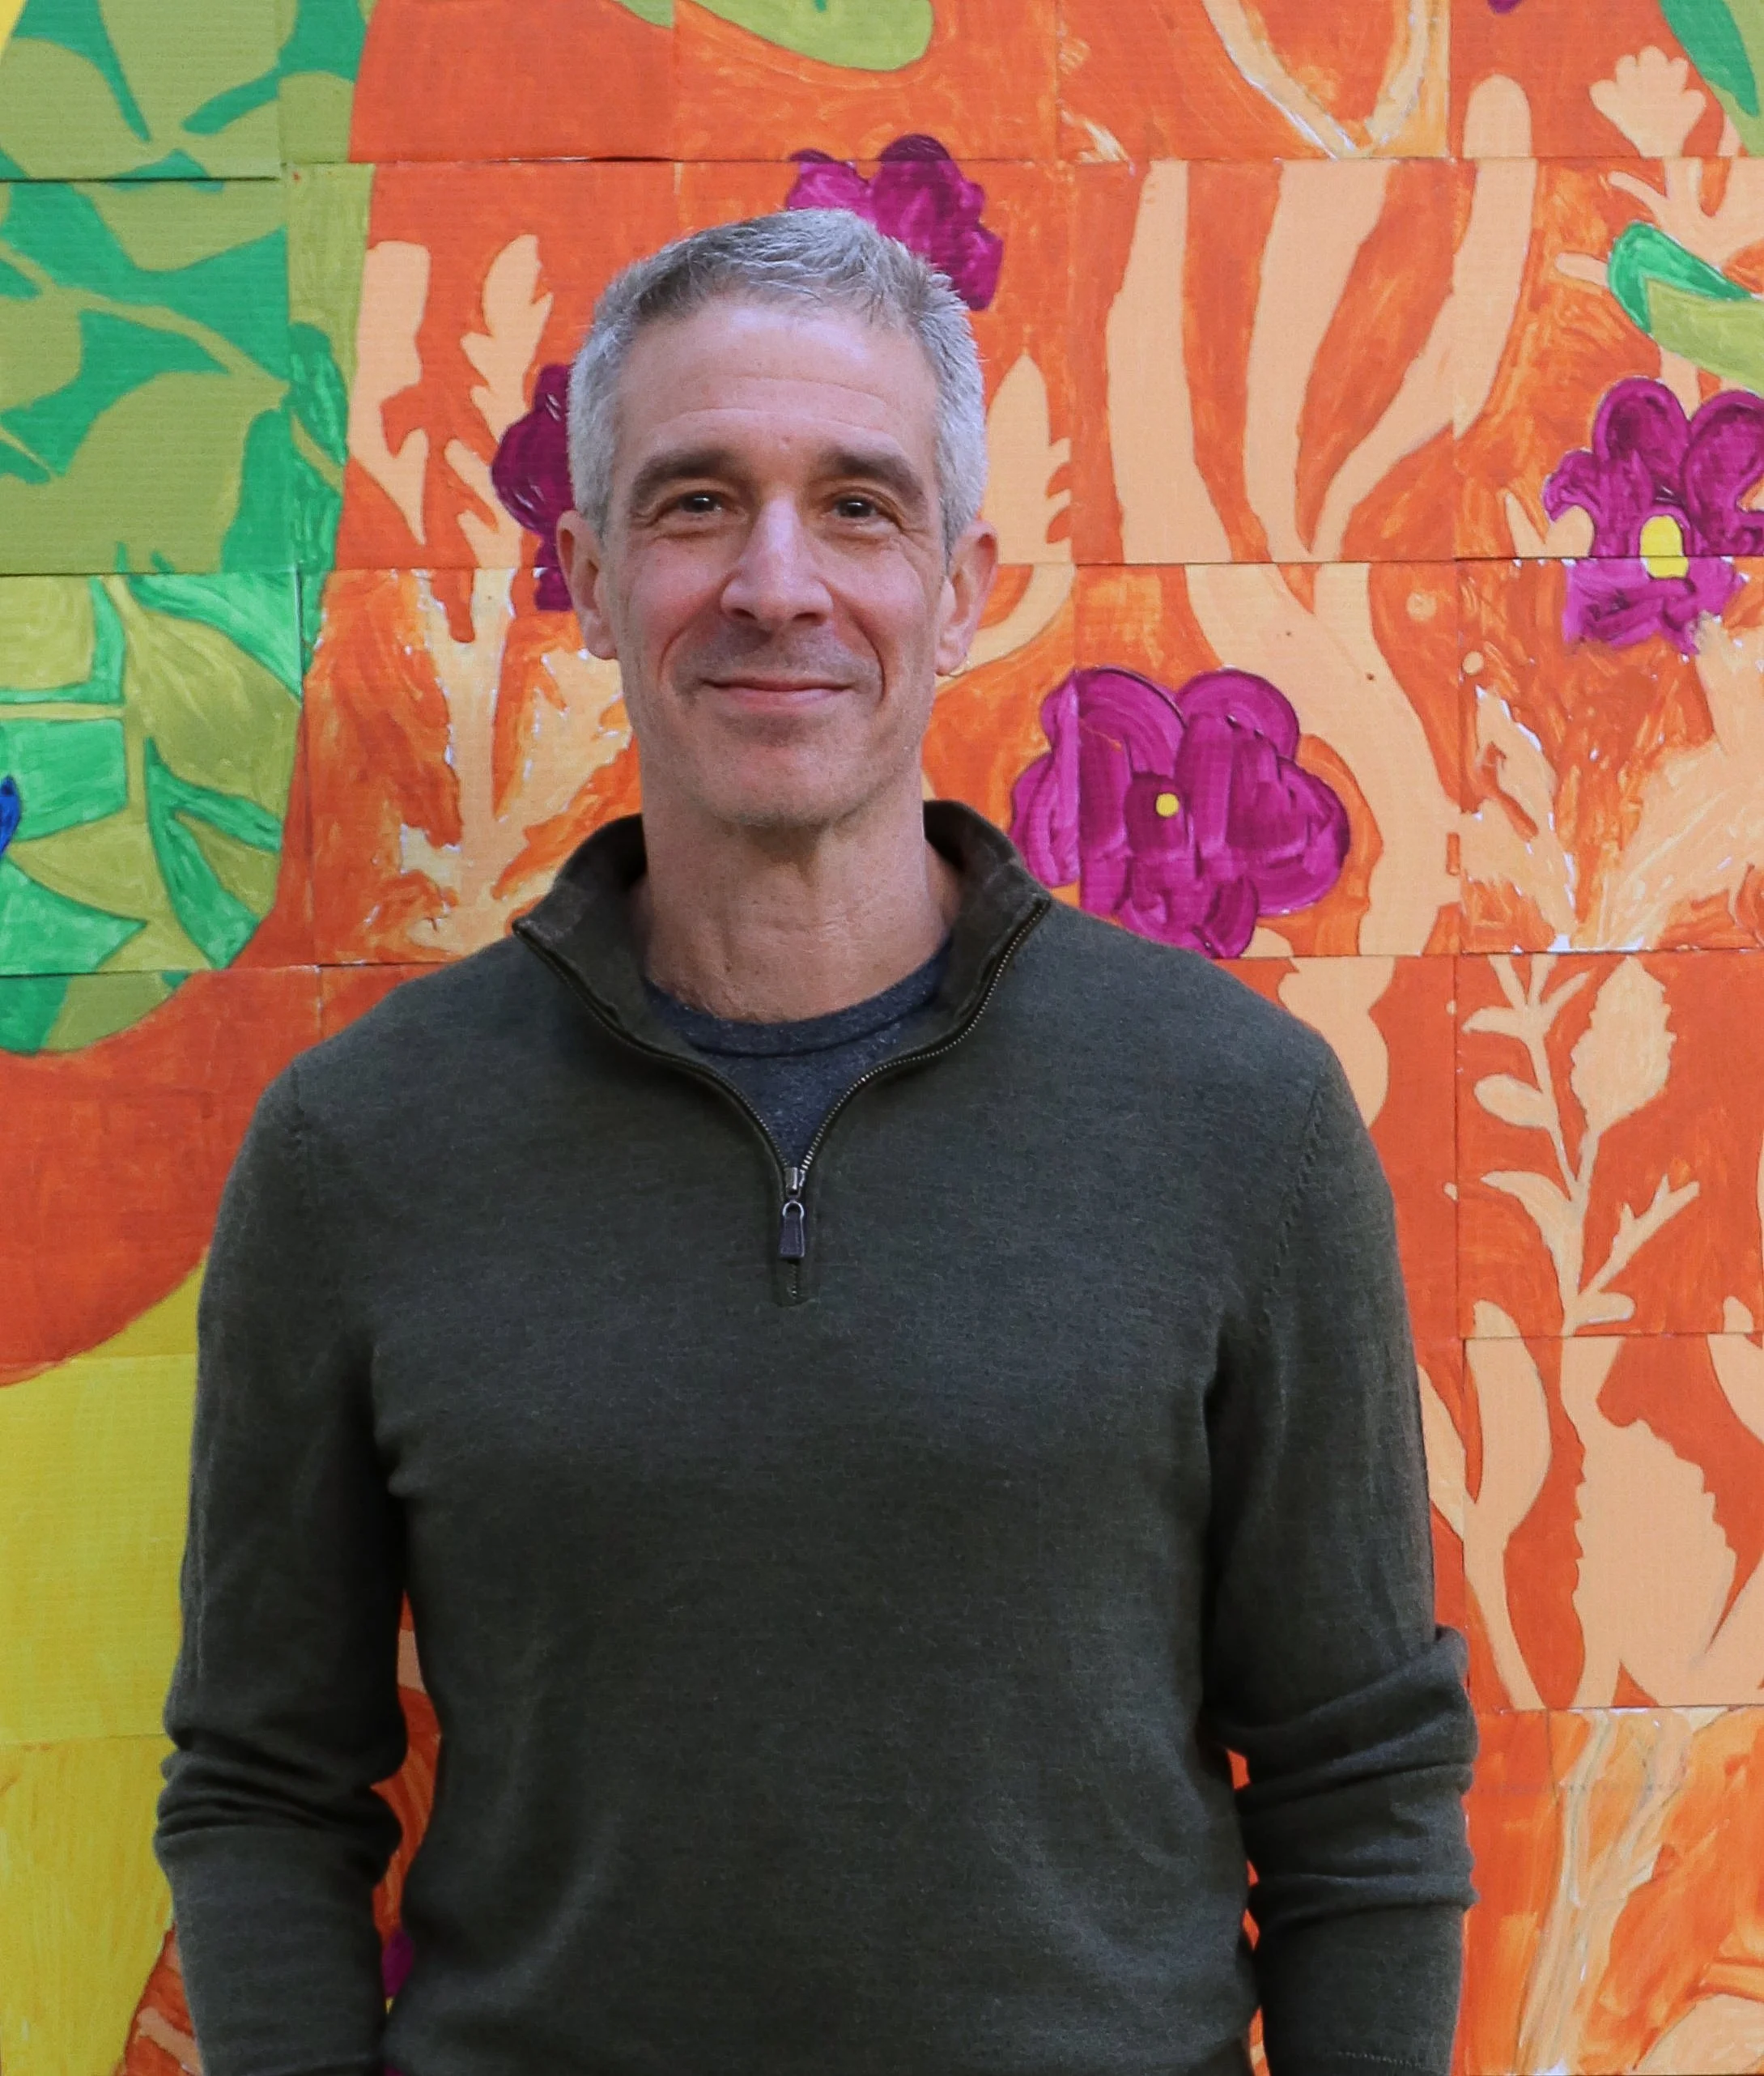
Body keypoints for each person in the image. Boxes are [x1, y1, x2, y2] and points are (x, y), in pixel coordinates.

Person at [155, 209, 1476, 2076]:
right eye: (698, 502)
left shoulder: (1237, 1118)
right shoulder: (362, 1149)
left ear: (961, 585)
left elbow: (1364, 1781)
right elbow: (266, 1786)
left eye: (858, 504)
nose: (779, 579)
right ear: (592, 577)